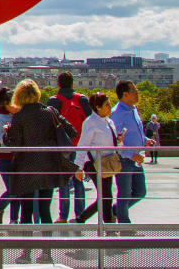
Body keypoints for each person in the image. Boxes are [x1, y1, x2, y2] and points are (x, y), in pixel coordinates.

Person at [5, 78, 76, 265]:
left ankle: (26, 252)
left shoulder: (19, 117)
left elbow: (13, 144)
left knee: (26, 212)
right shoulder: (49, 112)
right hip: (48, 165)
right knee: (45, 210)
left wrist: (6, 133)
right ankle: (46, 252)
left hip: (26, 167)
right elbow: (72, 131)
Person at [47, 71, 91, 222]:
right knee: (79, 181)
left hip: (62, 147)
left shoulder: (53, 101)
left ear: (58, 84)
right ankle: (80, 215)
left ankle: (63, 216)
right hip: (80, 145)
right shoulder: (82, 100)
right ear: (73, 83)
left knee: (64, 182)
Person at [74, 92, 121, 224]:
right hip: (95, 164)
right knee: (106, 195)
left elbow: (110, 142)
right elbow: (83, 145)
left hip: (107, 163)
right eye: (107, 105)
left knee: (105, 196)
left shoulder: (108, 121)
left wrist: (118, 140)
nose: (110, 107)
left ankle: (83, 218)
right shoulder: (90, 123)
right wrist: (79, 167)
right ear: (98, 107)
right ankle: (107, 224)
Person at [109, 80, 147, 224]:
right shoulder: (117, 113)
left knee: (140, 192)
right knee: (124, 193)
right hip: (124, 159)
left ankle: (117, 210)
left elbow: (135, 133)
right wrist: (130, 154)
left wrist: (146, 140)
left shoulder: (133, 109)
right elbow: (116, 141)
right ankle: (124, 225)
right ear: (125, 94)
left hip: (136, 159)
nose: (137, 93)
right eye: (134, 90)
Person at [0, 86, 20, 225]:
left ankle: (13, 218)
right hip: (5, 158)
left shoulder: (12, 116)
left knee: (16, 190)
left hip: (13, 157)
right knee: (14, 189)